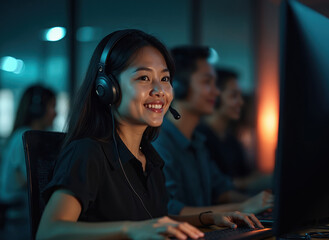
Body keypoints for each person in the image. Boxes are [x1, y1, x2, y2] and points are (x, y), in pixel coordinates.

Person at [36, 30, 264, 240]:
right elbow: (49, 231)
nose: (159, 91)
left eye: (164, 79)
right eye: (143, 78)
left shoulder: (150, 158)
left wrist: (207, 217)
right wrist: (130, 230)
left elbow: (155, 222)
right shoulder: (88, 152)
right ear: (107, 88)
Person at [152, 46, 273, 216]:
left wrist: (265, 203)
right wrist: (244, 207)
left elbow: (222, 190)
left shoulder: (197, 141)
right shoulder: (159, 142)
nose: (216, 92)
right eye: (207, 82)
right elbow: (170, 210)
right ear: (179, 86)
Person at [0, 84, 57, 239]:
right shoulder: (22, 138)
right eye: (52, 106)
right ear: (37, 109)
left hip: (25, 221)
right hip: (18, 225)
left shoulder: (34, 137)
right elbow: (37, 182)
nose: (56, 113)